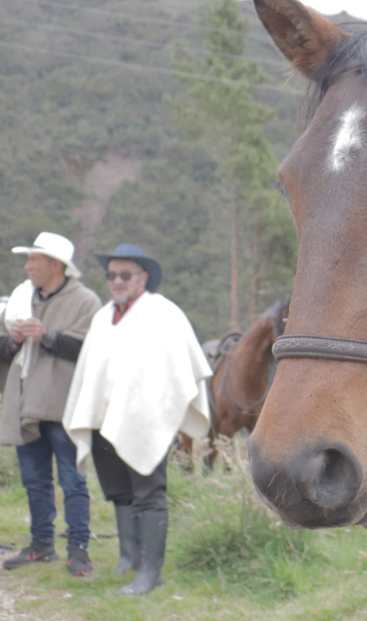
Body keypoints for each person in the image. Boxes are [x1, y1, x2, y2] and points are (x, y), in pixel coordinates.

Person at [61, 244, 211, 595]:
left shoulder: (163, 313)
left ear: (143, 278)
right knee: (119, 493)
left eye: (124, 274)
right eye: (111, 274)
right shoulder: (103, 317)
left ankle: (151, 572)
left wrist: (154, 409)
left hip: (146, 421)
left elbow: (177, 369)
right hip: (103, 421)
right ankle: (128, 561)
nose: (116, 280)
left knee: (148, 495)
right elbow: (90, 374)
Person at [0, 232, 102, 576]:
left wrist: (47, 336)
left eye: (34, 260)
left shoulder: (85, 301)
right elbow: (3, 354)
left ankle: (79, 550)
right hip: (25, 405)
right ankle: (41, 545)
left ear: (55, 266)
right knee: (34, 480)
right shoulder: (20, 298)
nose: (27, 266)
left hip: (63, 406)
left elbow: (90, 352)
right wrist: (13, 340)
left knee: (73, 481)